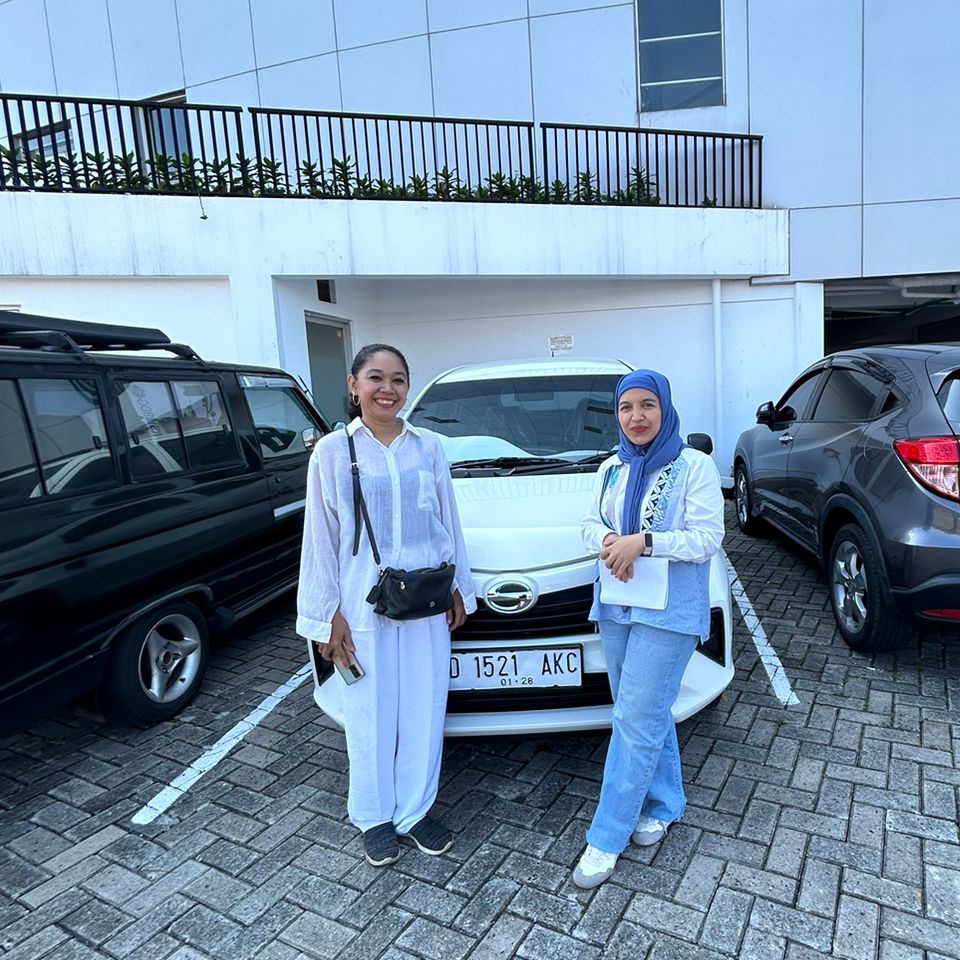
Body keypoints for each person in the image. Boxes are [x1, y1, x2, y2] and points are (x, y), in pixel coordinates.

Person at [296, 343, 476, 867]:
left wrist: (459, 586)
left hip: (425, 601)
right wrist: (327, 615)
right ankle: (373, 816)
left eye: (398, 379)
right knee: (369, 713)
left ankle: (415, 812)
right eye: (376, 377)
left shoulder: (429, 447)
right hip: (361, 605)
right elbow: (320, 539)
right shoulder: (333, 452)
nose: (387, 389)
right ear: (354, 386)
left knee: (424, 707)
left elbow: (447, 521)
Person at [573, 369, 724, 888]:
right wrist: (610, 541)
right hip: (618, 604)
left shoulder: (694, 465)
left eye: (647, 405)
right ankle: (664, 803)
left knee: (634, 719)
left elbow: (708, 538)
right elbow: (588, 524)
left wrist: (645, 543)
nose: (636, 417)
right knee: (642, 712)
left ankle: (605, 837)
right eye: (626, 408)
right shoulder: (610, 468)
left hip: (670, 609)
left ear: (665, 408)